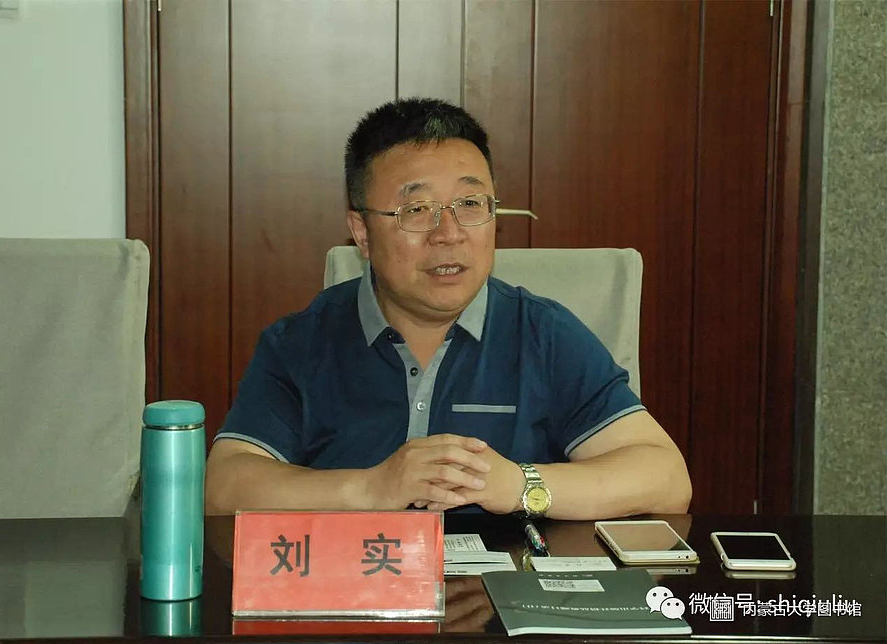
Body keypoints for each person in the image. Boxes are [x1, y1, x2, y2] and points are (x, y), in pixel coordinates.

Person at [205, 98, 691, 519]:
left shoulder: (543, 334)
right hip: (357, 588)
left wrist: (518, 485)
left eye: (471, 204)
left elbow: (666, 478)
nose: (450, 233)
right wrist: (371, 488)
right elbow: (223, 488)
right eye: (416, 210)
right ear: (361, 232)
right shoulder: (302, 342)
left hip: (499, 593)